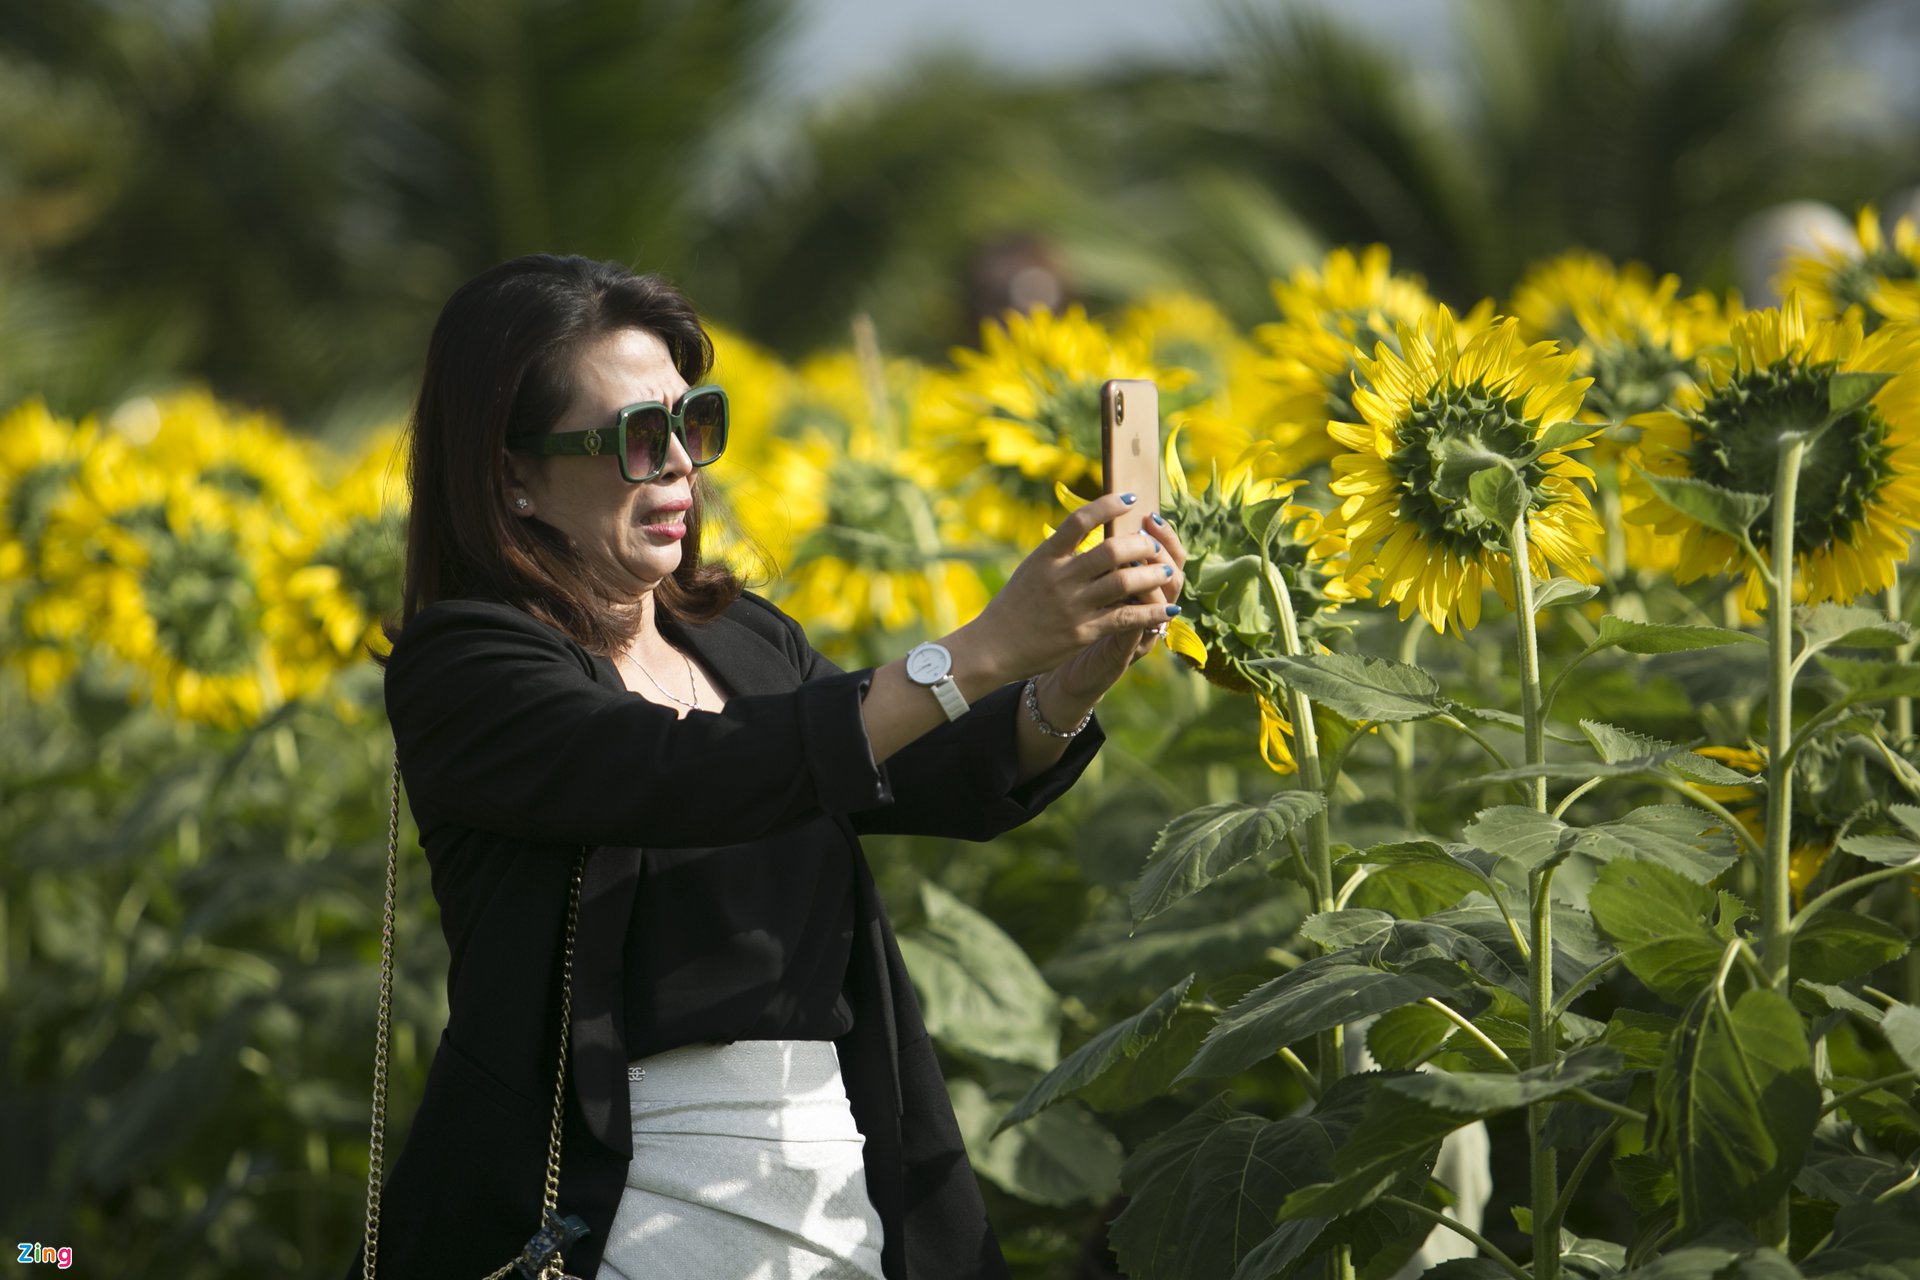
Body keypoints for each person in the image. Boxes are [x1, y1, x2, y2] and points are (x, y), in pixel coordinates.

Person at [344, 254, 1187, 1280]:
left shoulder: (738, 638)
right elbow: (684, 772)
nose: (679, 471)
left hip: (830, 1179)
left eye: (691, 425)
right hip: (608, 1208)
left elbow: (927, 767)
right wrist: (985, 643)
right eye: (635, 441)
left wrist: (1074, 675)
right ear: (511, 475)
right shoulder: (466, 667)